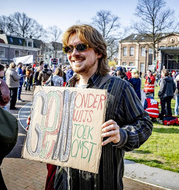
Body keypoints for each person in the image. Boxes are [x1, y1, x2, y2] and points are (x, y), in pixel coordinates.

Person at [52, 24, 153, 190]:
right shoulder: (66, 90)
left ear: (98, 52)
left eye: (81, 47)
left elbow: (145, 123)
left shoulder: (120, 88)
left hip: (101, 184)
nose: (74, 54)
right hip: (65, 182)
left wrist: (122, 135)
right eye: (68, 49)